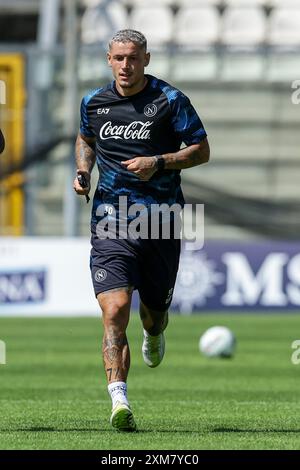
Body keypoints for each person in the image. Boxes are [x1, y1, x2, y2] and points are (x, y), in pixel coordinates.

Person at [73, 29, 210, 432]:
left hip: (161, 222)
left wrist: (160, 161)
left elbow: (201, 150)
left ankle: (155, 331)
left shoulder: (170, 100)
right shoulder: (93, 103)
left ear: (146, 59)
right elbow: (86, 139)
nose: (126, 65)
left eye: (133, 58)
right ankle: (119, 401)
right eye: (118, 58)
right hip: (111, 220)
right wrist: (83, 171)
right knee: (114, 311)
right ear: (108, 59)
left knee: (153, 316)